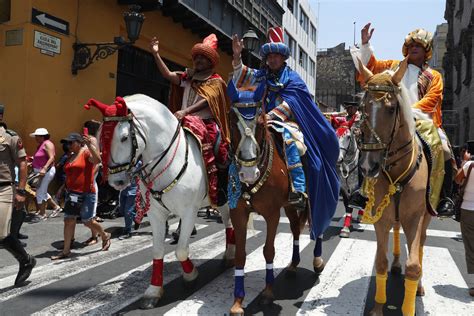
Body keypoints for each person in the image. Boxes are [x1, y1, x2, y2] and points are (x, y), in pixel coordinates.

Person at [231, 26, 340, 240]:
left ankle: (298, 189)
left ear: (283, 58)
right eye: (269, 56)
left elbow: (292, 103)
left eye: (276, 56)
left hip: (286, 123)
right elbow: (242, 76)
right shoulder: (261, 75)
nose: (272, 60)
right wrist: (237, 57)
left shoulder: (293, 79)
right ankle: (233, 187)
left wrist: (270, 117)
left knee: (292, 143)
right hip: (260, 121)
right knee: (239, 139)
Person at [351, 23, 454, 217]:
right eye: (411, 45)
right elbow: (370, 68)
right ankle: (362, 191)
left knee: (444, 147)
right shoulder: (391, 67)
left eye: (419, 46)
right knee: (367, 141)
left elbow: (431, 100)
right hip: (391, 118)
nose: (414, 48)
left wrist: (408, 111)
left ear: (426, 51)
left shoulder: (433, 76)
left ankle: (444, 198)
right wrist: (365, 44)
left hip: (422, 121)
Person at [150, 33, 231, 238]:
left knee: (220, 150)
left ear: (211, 61)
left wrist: (186, 111)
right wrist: (155, 54)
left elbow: (207, 100)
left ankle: (221, 187)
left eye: (203, 58)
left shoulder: (217, 81)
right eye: (197, 57)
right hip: (181, 121)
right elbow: (168, 75)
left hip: (205, 124)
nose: (199, 60)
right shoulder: (188, 77)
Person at [51, 133, 111, 260]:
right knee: (68, 220)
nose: (68, 145)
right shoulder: (71, 156)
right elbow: (70, 175)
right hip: (72, 194)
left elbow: (98, 161)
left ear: (79, 142)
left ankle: (104, 235)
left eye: (71, 143)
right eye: (67, 143)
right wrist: (63, 188)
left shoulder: (86, 153)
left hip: (87, 193)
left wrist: (89, 145)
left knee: (87, 220)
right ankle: (66, 251)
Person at [0, 122, 36, 286]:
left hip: (4, 189)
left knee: (2, 234)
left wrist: (21, 191)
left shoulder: (10, 137)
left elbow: (22, 163)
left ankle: (26, 260)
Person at [455, 140, 474, 296]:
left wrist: (465, 162)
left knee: (471, 246)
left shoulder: (469, 166)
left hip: (469, 209)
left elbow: (457, 179)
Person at [29, 128, 56, 219]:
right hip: (40, 171)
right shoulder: (41, 145)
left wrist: (44, 168)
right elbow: (40, 158)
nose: (35, 138)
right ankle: (55, 207)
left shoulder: (47, 144)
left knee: (40, 192)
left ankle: (42, 214)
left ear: (42, 136)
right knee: (41, 191)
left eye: (37, 136)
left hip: (45, 171)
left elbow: (51, 157)